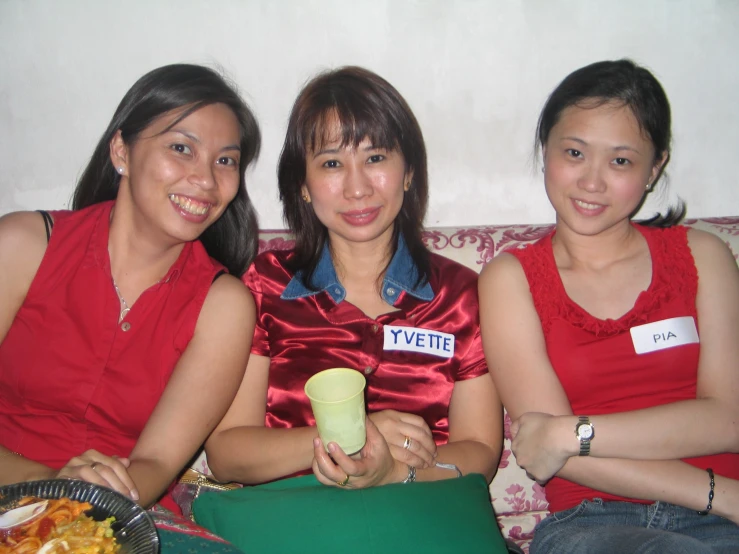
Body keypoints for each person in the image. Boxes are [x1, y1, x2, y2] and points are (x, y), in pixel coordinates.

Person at [479, 59, 739, 553]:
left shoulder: (704, 256)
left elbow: (729, 417)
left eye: (620, 161)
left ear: (654, 168)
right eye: (574, 152)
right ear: (546, 151)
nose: (592, 182)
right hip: (591, 521)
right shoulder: (512, 279)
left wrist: (574, 432)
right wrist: (721, 495)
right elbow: (543, 451)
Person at [205, 66, 502, 492]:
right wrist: (352, 439)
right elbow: (227, 454)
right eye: (331, 163)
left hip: (419, 516)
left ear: (409, 171)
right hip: (293, 521)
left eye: (376, 158)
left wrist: (393, 472)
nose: (357, 187)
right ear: (303, 185)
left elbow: (480, 452)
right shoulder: (265, 285)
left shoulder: (460, 295)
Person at [0, 64, 259, 542]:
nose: (205, 179)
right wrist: (47, 485)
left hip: (121, 519)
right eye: (181, 148)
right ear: (122, 150)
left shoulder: (222, 305)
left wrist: (86, 500)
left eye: (225, 161)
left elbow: (156, 462)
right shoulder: (22, 245)